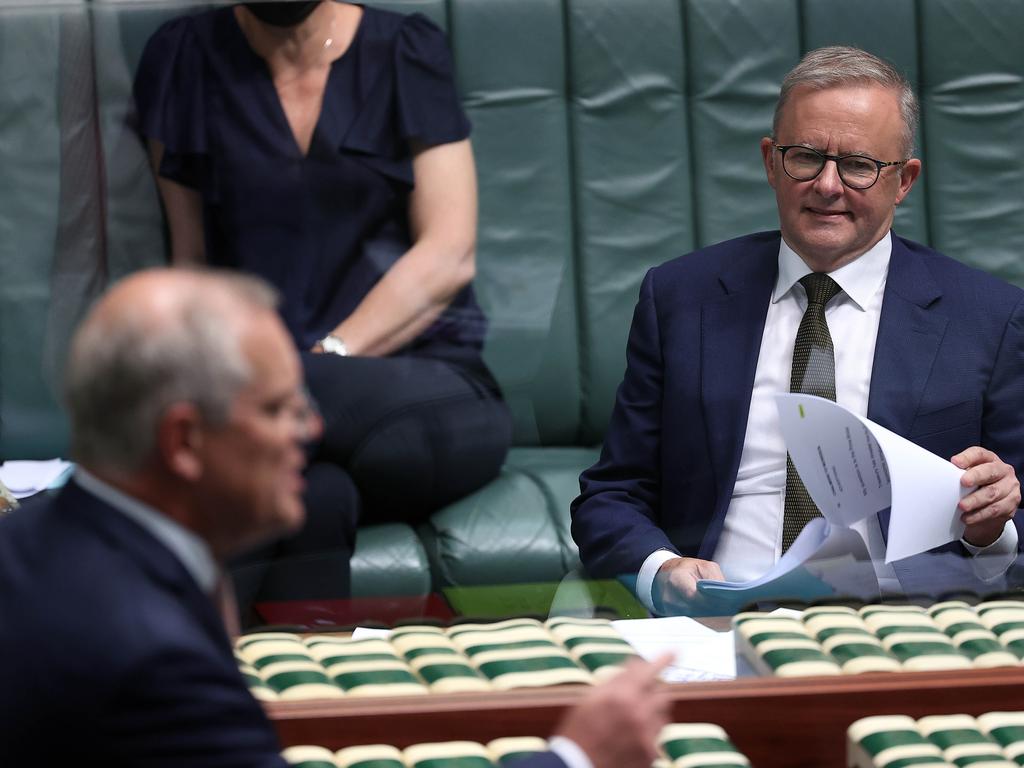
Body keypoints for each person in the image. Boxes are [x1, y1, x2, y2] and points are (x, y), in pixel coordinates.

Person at [0, 269, 673, 767]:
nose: (313, 426)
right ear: (183, 442)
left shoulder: (26, 548)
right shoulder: (153, 656)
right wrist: (575, 757)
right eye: (278, 409)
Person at [571, 46, 1024, 614]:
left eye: (859, 165)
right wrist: (661, 570)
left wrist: (991, 528)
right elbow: (613, 494)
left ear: (904, 181)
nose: (828, 185)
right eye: (806, 157)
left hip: (897, 626)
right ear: (769, 161)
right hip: (713, 619)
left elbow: (1013, 511)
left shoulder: (989, 316)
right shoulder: (682, 298)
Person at [132, 0, 512, 606]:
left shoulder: (405, 50)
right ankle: (282, 688)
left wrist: (321, 359)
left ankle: (129, 577)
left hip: (424, 395)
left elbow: (448, 251)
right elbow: (192, 263)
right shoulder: (183, 56)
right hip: (277, 421)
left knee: (250, 437)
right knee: (314, 498)